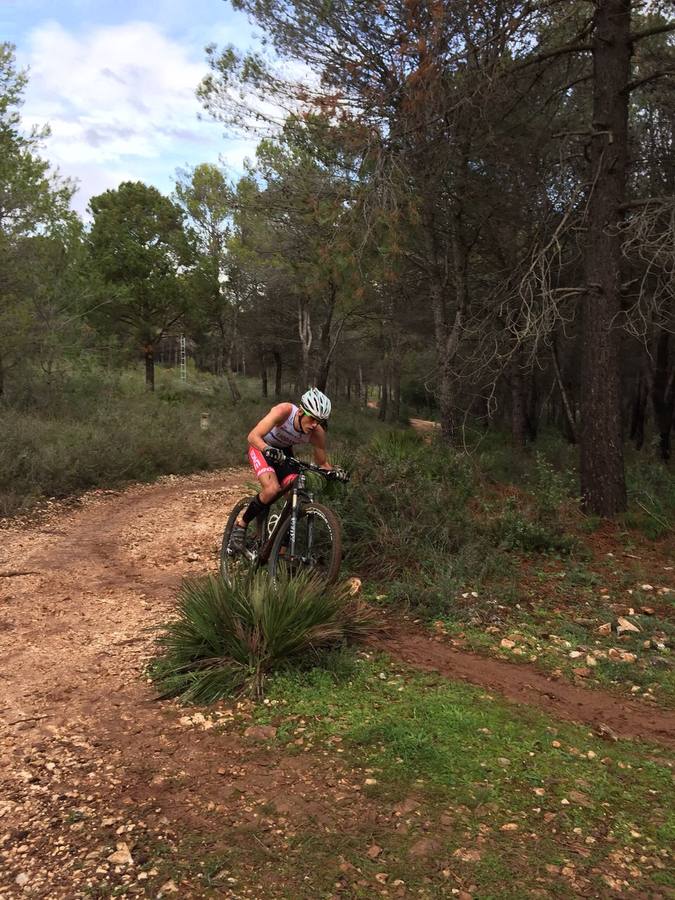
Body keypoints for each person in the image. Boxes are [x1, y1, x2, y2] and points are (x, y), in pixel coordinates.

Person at [228, 387, 345, 552]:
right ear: (300, 412)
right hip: (261, 448)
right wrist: (267, 449)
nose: (314, 425)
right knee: (272, 489)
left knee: (296, 491)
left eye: (319, 421)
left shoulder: (317, 432)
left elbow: (322, 463)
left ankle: (279, 544)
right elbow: (253, 436)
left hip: (283, 453)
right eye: (312, 419)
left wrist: (334, 472)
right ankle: (241, 526)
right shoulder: (284, 411)